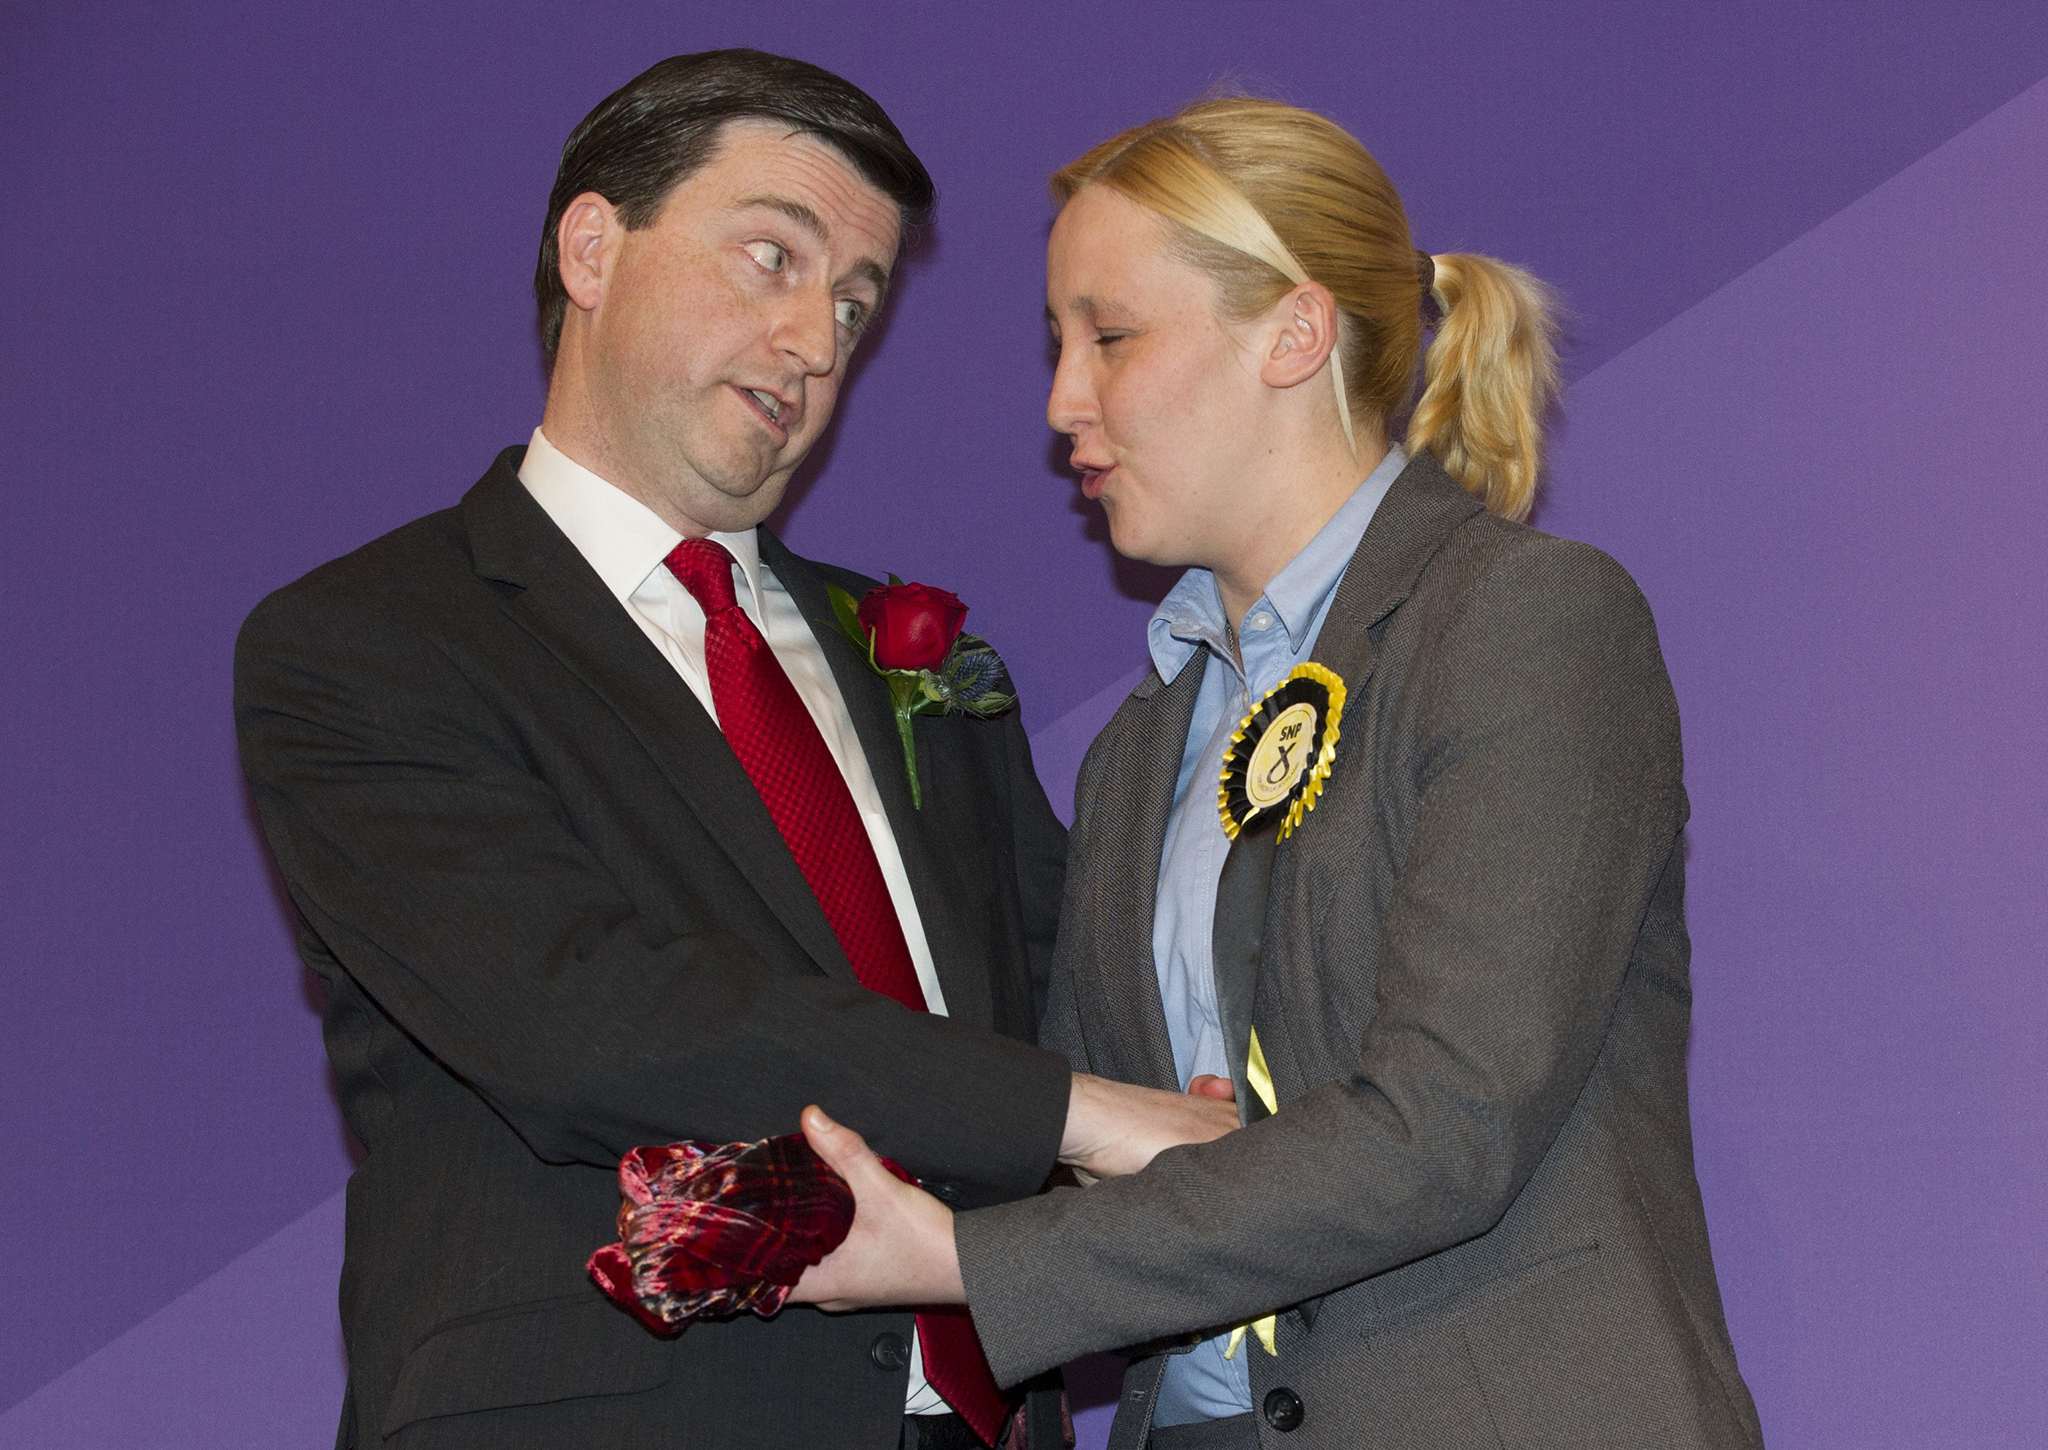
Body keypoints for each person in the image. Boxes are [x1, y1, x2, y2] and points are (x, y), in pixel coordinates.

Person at [234, 51, 1232, 1450]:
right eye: (775, 256)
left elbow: (1073, 977)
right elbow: (585, 1018)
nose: (820, 340)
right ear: (594, 246)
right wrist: (1083, 1115)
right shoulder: (372, 641)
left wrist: (1237, 1095)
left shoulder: (914, 648)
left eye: (855, 302)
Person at [791, 96, 1766, 1449]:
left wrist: (965, 1260)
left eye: (1111, 336)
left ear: (1295, 334)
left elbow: (1447, 1127)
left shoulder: (1525, 620)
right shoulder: (1146, 740)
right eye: (1058, 343)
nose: (1062, 400)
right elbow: (1117, 1135)